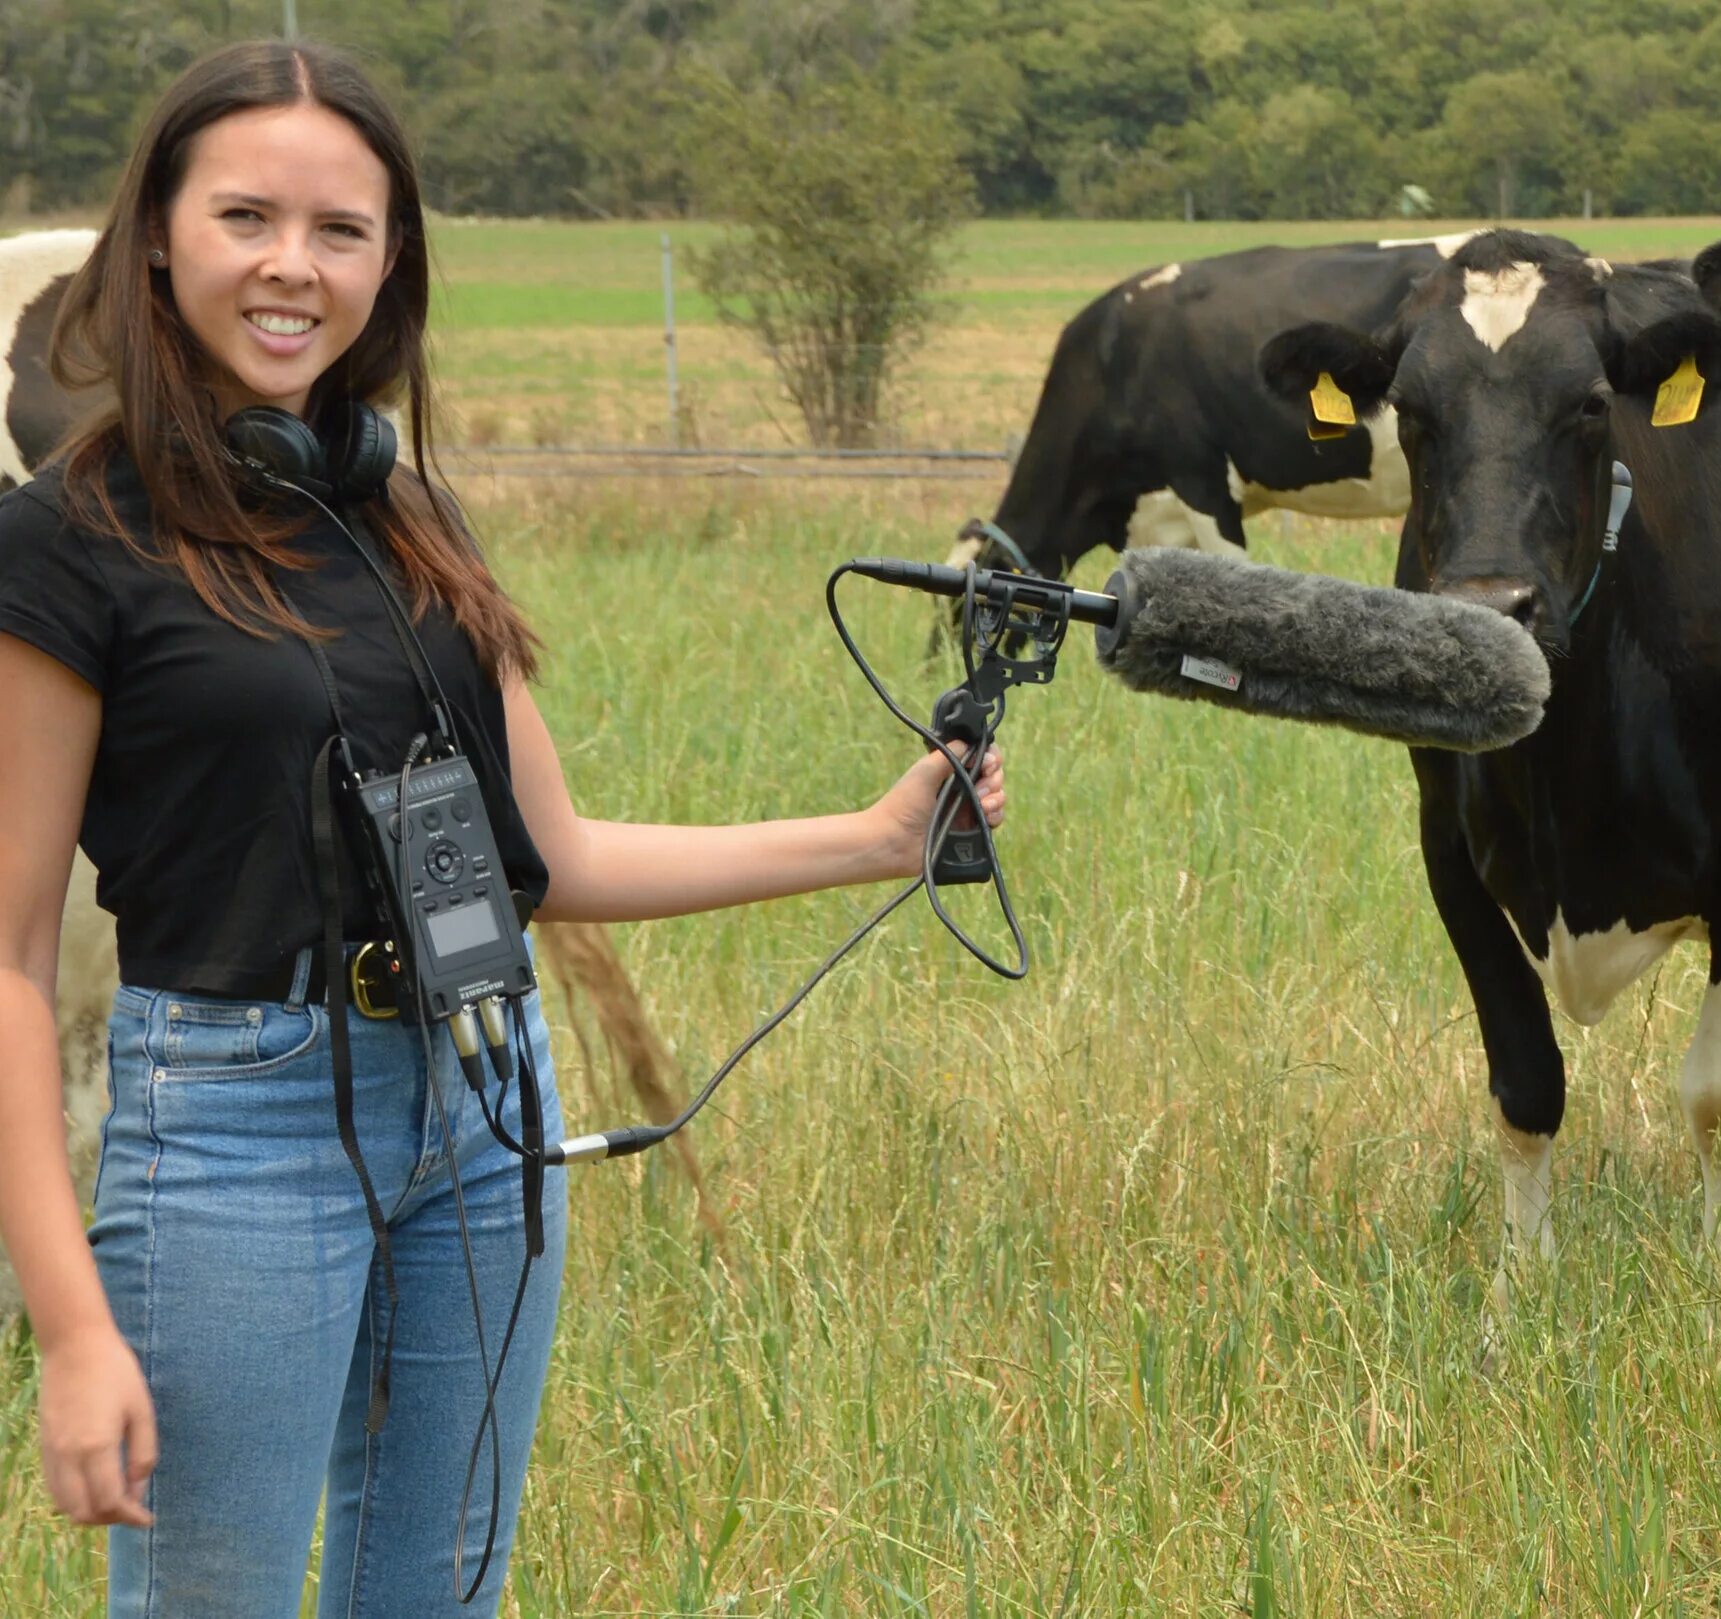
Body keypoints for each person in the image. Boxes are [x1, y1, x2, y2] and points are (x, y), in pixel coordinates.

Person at [0, 39, 1002, 1614]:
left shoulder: (409, 519)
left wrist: (879, 835)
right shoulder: (66, 541)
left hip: (484, 1110)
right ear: (155, 243)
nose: (292, 266)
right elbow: (6, 958)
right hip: (235, 1139)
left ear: (391, 264)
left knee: (443, 1589)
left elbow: (561, 859)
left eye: (343, 230)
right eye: (245, 217)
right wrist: (67, 1329)